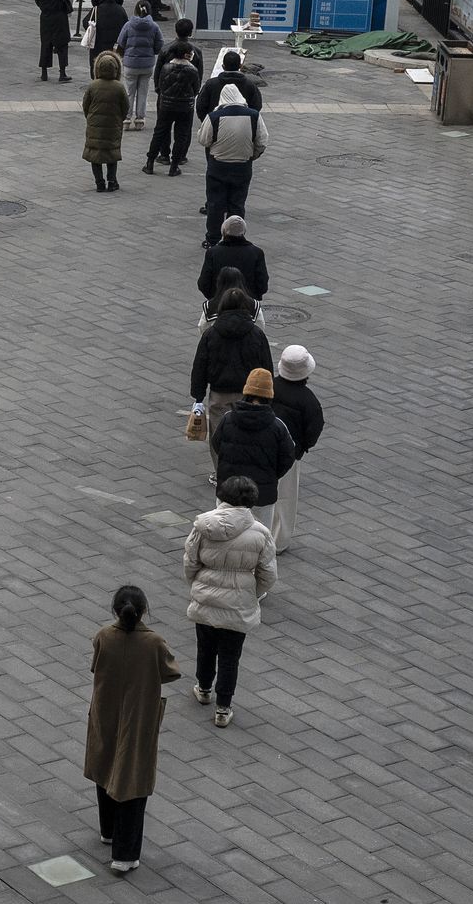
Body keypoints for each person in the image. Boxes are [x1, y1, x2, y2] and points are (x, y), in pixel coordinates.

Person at [84, 585, 180, 875]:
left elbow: (95, 666)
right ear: (143, 612)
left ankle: (108, 829)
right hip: (138, 716)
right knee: (132, 777)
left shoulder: (103, 636)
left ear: (115, 610)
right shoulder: (154, 643)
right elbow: (171, 672)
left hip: (105, 711)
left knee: (105, 762)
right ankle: (124, 854)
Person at [184, 475, 278, 729]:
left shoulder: (203, 525)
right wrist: (252, 593)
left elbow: (190, 561)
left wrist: (197, 584)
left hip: (206, 598)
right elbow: (268, 574)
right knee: (230, 657)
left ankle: (203, 689)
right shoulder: (261, 533)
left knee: (205, 648)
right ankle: (223, 708)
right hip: (239, 605)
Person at [192, 287, 272, 479]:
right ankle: (244, 470)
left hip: (219, 393)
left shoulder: (211, 334)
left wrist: (198, 396)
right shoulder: (256, 334)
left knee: (219, 436)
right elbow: (266, 366)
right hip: (249, 395)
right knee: (246, 434)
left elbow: (200, 366)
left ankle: (221, 473)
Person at [210, 368, 297, 531]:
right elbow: (287, 457)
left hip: (228, 490)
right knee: (260, 536)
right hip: (262, 494)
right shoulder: (278, 427)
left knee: (224, 533)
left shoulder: (228, 419)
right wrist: (271, 475)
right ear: (270, 395)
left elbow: (217, 445)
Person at [197, 84, 267, 249]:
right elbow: (262, 141)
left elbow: (203, 140)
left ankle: (213, 239)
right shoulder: (254, 116)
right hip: (242, 166)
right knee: (237, 203)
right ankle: (236, 236)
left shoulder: (214, 116)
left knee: (215, 204)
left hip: (218, 166)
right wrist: (252, 155)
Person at [269, 345, 323, 552]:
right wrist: (302, 447)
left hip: (264, 447)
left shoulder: (269, 385)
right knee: (285, 497)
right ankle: (279, 541)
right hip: (290, 453)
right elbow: (313, 430)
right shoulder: (308, 400)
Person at [143, 42, 199, 176]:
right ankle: (174, 166)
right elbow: (196, 89)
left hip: (166, 105)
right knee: (181, 135)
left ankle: (150, 162)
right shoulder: (192, 70)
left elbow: (160, 84)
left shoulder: (166, 68)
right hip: (185, 107)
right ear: (187, 54)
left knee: (159, 132)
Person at [81, 52, 129, 193]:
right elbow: (125, 106)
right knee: (111, 154)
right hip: (113, 126)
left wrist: (90, 118)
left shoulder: (92, 86)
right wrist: (120, 119)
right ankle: (112, 181)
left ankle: (99, 183)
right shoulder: (119, 87)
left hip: (94, 126)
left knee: (95, 155)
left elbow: (85, 105)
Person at [115, 0, 164, 129]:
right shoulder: (154, 26)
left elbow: (121, 43)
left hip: (130, 65)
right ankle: (140, 119)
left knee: (129, 92)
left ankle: (126, 118)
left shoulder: (128, 25)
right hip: (147, 65)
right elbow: (159, 45)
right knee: (143, 91)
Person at [199, 216, 267, 305]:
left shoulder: (213, 253)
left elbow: (204, 282)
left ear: (224, 231)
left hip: (220, 304)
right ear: (244, 232)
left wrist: (214, 297)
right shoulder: (256, 253)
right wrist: (253, 297)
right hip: (247, 304)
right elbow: (262, 283)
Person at [32, 0, 74, 83]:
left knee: (46, 44)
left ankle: (44, 73)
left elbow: (38, 3)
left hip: (45, 18)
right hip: (59, 17)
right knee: (62, 44)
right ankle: (62, 73)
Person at [195, 50, 263, 120]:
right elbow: (257, 106)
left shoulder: (211, 84)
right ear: (240, 66)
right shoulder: (250, 85)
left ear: (223, 66)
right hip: (242, 125)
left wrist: (208, 121)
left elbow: (201, 106)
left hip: (216, 124)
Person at [86, 0, 128, 74]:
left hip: (97, 47)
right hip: (114, 48)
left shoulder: (96, 10)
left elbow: (85, 23)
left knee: (97, 69)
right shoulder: (120, 10)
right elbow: (126, 27)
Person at [164, 18, 203, 92]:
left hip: (166, 95)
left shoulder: (165, 50)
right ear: (190, 33)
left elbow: (158, 74)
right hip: (187, 96)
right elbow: (199, 76)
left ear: (176, 31)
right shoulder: (197, 52)